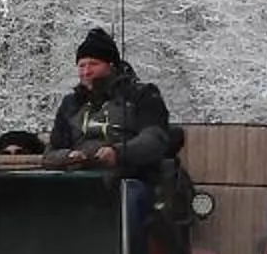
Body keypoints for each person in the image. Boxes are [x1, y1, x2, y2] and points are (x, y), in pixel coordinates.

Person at [48, 27, 175, 173]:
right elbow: (50, 153)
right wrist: (67, 157)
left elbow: (154, 139)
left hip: (131, 177)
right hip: (80, 179)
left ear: (111, 66)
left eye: (93, 64)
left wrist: (118, 153)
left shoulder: (142, 95)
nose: (86, 71)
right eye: (81, 65)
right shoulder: (71, 103)